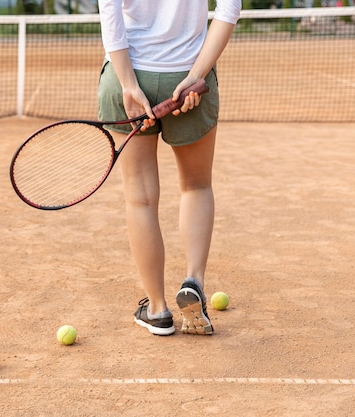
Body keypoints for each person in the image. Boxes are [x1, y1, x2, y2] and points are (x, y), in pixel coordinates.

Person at [97, 1, 241, 335]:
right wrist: (196, 75)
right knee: (196, 186)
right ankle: (194, 283)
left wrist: (128, 83)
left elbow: (110, 10)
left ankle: (158, 310)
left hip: (129, 76)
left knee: (141, 199)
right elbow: (229, 9)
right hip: (188, 77)